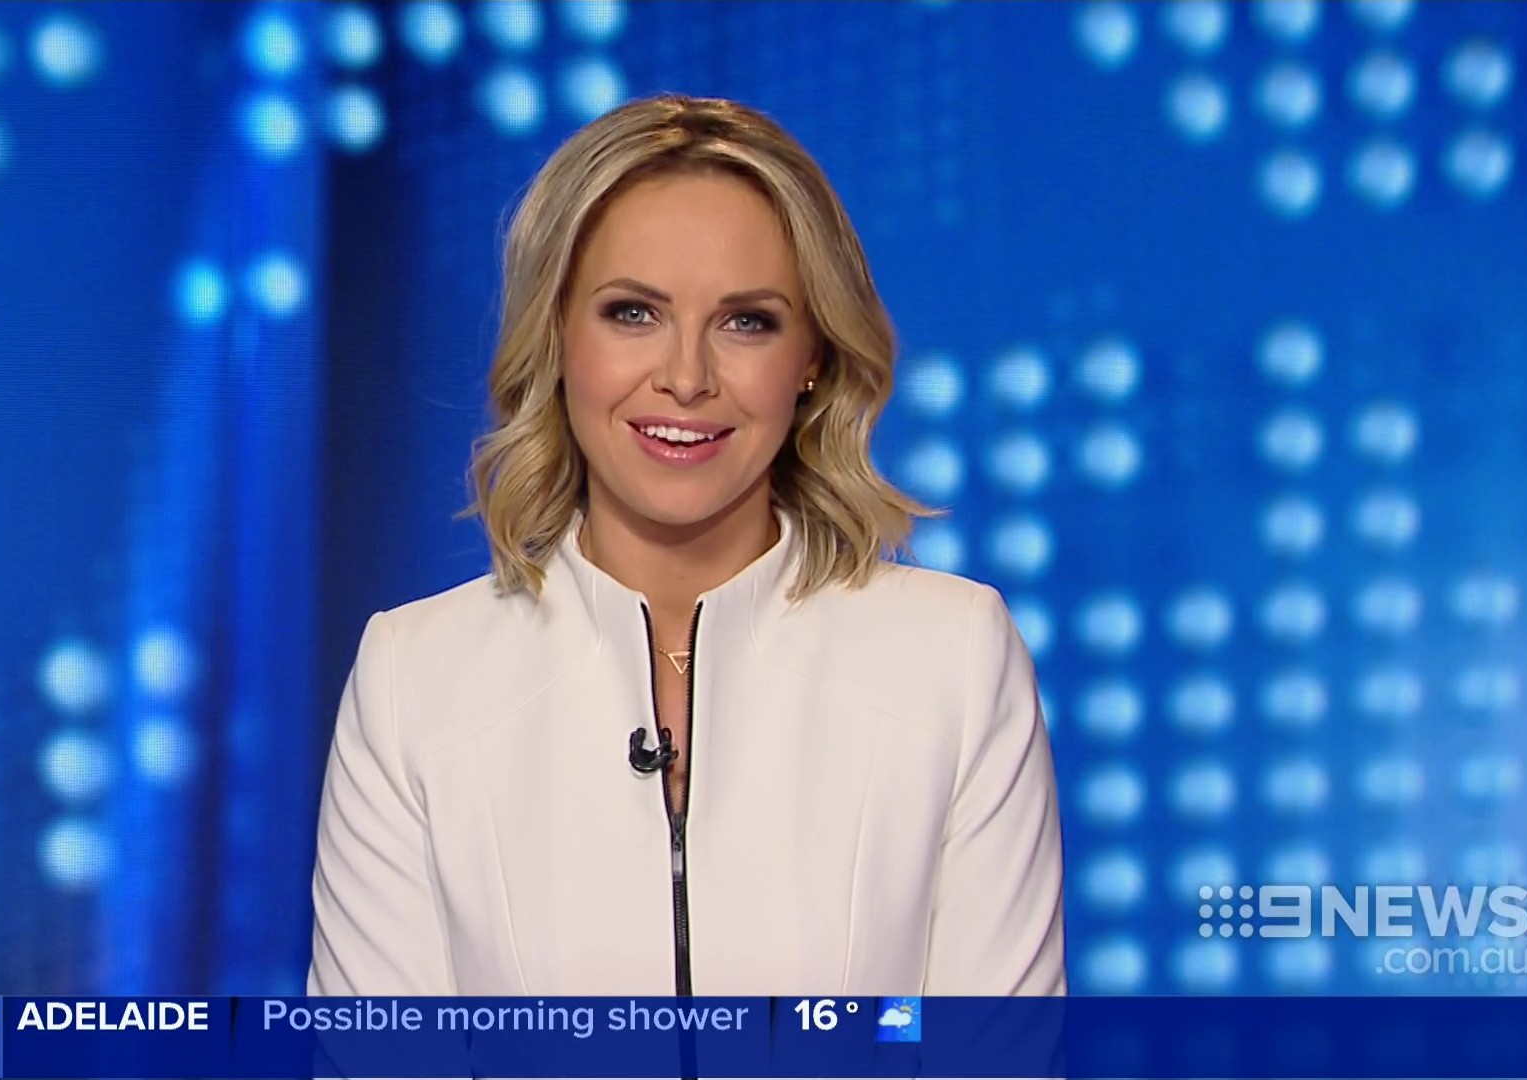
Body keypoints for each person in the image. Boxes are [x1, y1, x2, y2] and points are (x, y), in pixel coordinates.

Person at [308, 93, 1065, 997]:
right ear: (557, 333)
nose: (686, 377)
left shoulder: (954, 658)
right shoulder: (415, 679)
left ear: (813, 356)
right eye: (634, 313)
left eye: (747, 321)